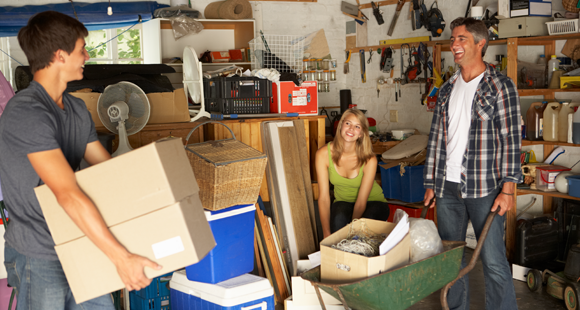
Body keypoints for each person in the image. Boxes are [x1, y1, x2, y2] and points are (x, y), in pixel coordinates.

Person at [0, 11, 162, 309]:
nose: (87, 56)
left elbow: (108, 170)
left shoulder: (75, 109)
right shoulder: (26, 112)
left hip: (82, 240)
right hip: (40, 250)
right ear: (60, 56)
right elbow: (67, 193)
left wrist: (159, 188)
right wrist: (120, 257)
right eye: (81, 50)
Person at [423, 17, 521, 310]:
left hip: (485, 189)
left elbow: (511, 139)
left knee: (492, 261)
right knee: (451, 260)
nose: (454, 45)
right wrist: (430, 183)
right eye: (453, 39)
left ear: (481, 44)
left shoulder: (500, 86)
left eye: (461, 39)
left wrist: (508, 189)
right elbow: (436, 139)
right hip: (447, 187)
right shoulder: (447, 88)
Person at [316, 109, 389, 239]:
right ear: (341, 125)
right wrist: (326, 234)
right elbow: (324, 198)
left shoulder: (369, 159)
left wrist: (353, 234)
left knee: (364, 227)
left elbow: (361, 202)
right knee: (338, 221)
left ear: (361, 133)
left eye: (357, 126)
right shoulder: (323, 155)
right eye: (348, 123)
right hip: (343, 202)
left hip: (373, 202)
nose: (351, 129)